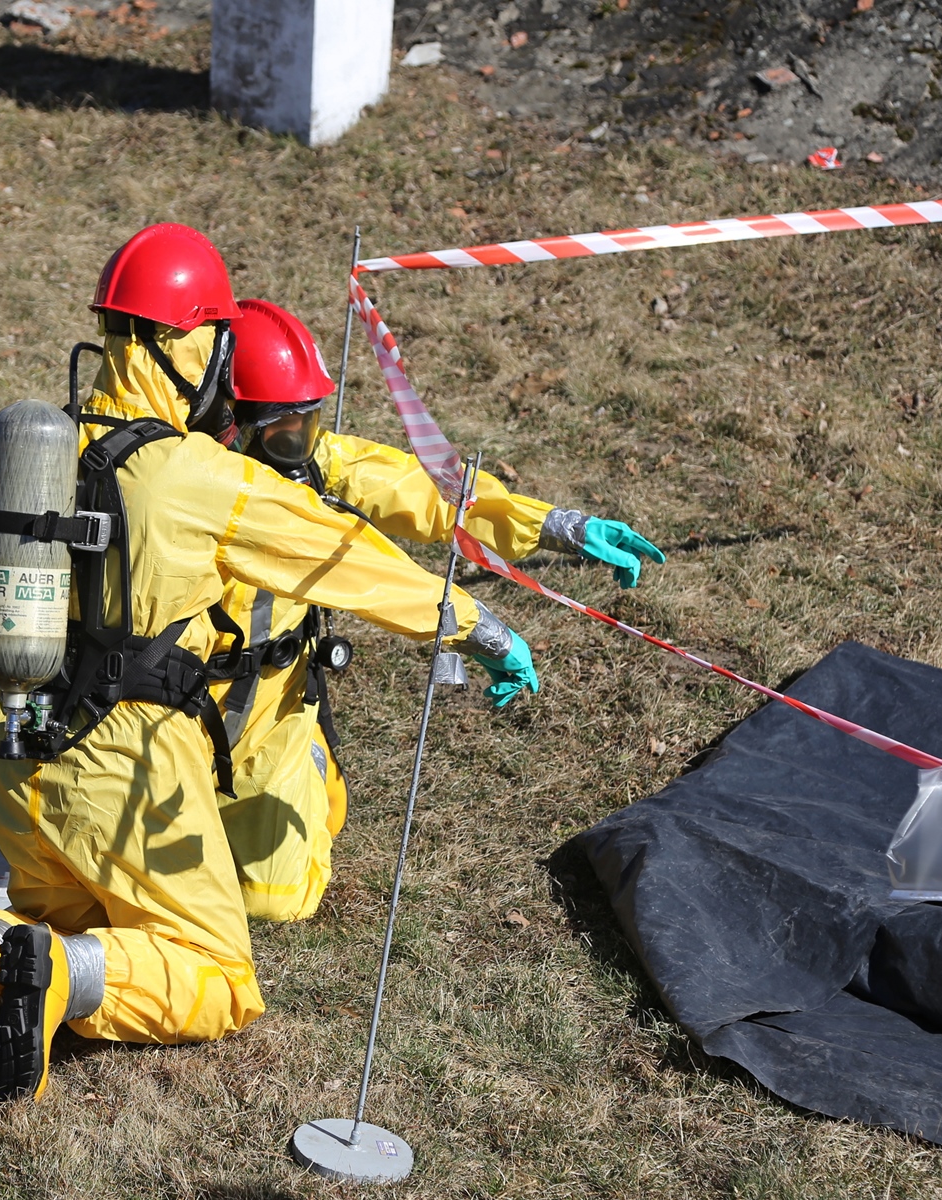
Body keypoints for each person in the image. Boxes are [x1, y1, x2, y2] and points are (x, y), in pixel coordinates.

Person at [0, 224, 544, 1101]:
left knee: (78, 910)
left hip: (14, 754)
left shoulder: (27, 451)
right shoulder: (195, 475)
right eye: (215, 337)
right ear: (184, 342)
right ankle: (61, 976)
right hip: (128, 769)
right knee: (219, 976)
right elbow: (337, 553)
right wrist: (471, 625)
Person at [208, 298, 667, 921]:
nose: (304, 447)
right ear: (228, 421)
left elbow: (427, 491)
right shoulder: (195, 487)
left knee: (276, 900)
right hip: (168, 712)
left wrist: (560, 527)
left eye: (309, 425)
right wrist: (484, 633)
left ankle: (309, 762)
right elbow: (377, 580)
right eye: (287, 431)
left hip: (264, 717)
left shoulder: (303, 467)